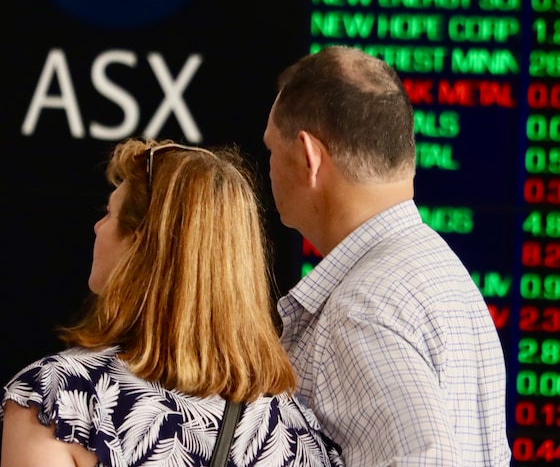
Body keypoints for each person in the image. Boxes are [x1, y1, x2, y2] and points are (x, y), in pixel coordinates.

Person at [1, 138, 345, 467]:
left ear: (140, 245)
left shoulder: (59, 399)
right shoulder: (296, 429)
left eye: (109, 213)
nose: (97, 226)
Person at [263, 45, 511, 466]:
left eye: (270, 149)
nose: (267, 166)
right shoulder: (440, 273)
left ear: (309, 158)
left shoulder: (362, 312)